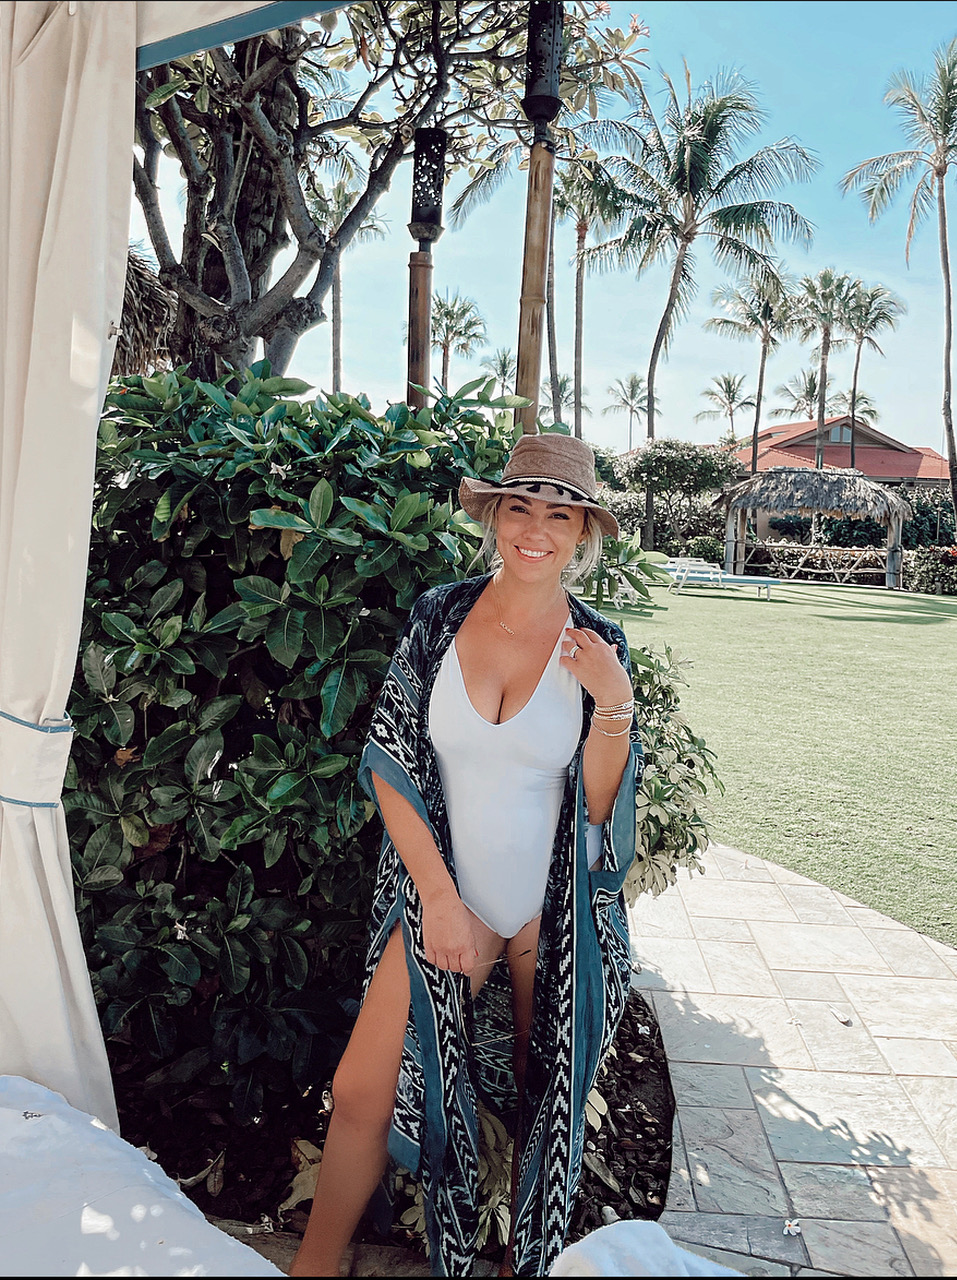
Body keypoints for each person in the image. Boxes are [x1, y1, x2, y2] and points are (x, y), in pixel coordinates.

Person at [289, 433, 643, 1278]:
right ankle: (315, 1265)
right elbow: (391, 762)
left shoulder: (597, 645)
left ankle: (530, 1263)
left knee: (541, 1104)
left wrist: (616, 703)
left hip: (548, 916)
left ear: (584, 533)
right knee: (362, 1091)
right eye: (520, 507)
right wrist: (440, 901)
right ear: (492, 515)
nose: (537, 530)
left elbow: (599, 813)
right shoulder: (439, 617)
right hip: (447, 896)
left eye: (561, 515)